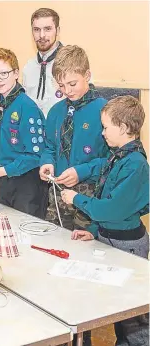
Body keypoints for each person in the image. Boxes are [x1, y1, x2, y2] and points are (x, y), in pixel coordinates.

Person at [61, 96, 149, 346]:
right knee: (117, 312)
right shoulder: (119, 155)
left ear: (122, 128)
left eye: (105, 127)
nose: (102, 133)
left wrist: (76, 198)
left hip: (128, 246)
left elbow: (110, 210)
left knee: (133, 320)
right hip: (111, 239)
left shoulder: (136, 165)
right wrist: (93, 231)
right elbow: (102, 178)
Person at [39, 45, 109, 231]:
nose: (67, 91)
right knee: (53, 239)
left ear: (87, 75)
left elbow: (114, 160)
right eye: (61, 86)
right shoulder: (55, 112)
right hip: (58, 192)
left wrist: (82, 171)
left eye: (72, 84)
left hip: (90, 194)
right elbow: (49, 147)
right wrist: (47, 162)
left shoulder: (105, 111)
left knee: (84, 245)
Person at [0, 48, 47, 218]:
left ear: (16, 73)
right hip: (4, 181)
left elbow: (35, 156)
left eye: (4, 73)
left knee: (26, 235)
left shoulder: (27, 107)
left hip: (27, 184)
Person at [23, 8, 63, 118]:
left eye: (47, 29)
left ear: (58, 31)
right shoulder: (28, 67)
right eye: (36, 29)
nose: (42, 35)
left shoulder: (73, 61)